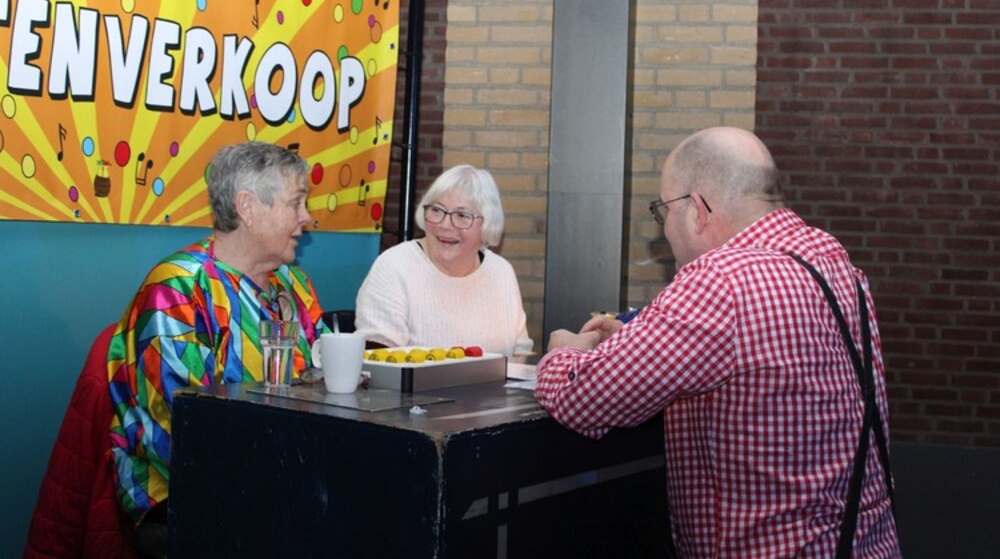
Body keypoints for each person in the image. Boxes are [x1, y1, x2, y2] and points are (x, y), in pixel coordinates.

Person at [535, 127, 900, 557]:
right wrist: (636, 339)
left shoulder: (722, 280)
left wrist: (565, 349)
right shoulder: (833, 261)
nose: (664, 229)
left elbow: (582, 398)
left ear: (696, 209)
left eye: (662, 210)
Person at [106, 141, 328, 551]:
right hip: (185, 495)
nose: (306, 218)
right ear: (247, 208)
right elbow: (182, 425)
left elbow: (322, 377)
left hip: (284, 480)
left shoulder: (293, 285)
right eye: (296, 203)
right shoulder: (178, 290)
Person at [355, 164, 533, 356]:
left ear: (487, 224)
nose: (446, 225)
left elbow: (520, 353)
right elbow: (376, 358)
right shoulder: (395, 266)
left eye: (462, 215)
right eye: (437, 210)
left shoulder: (501, 271)